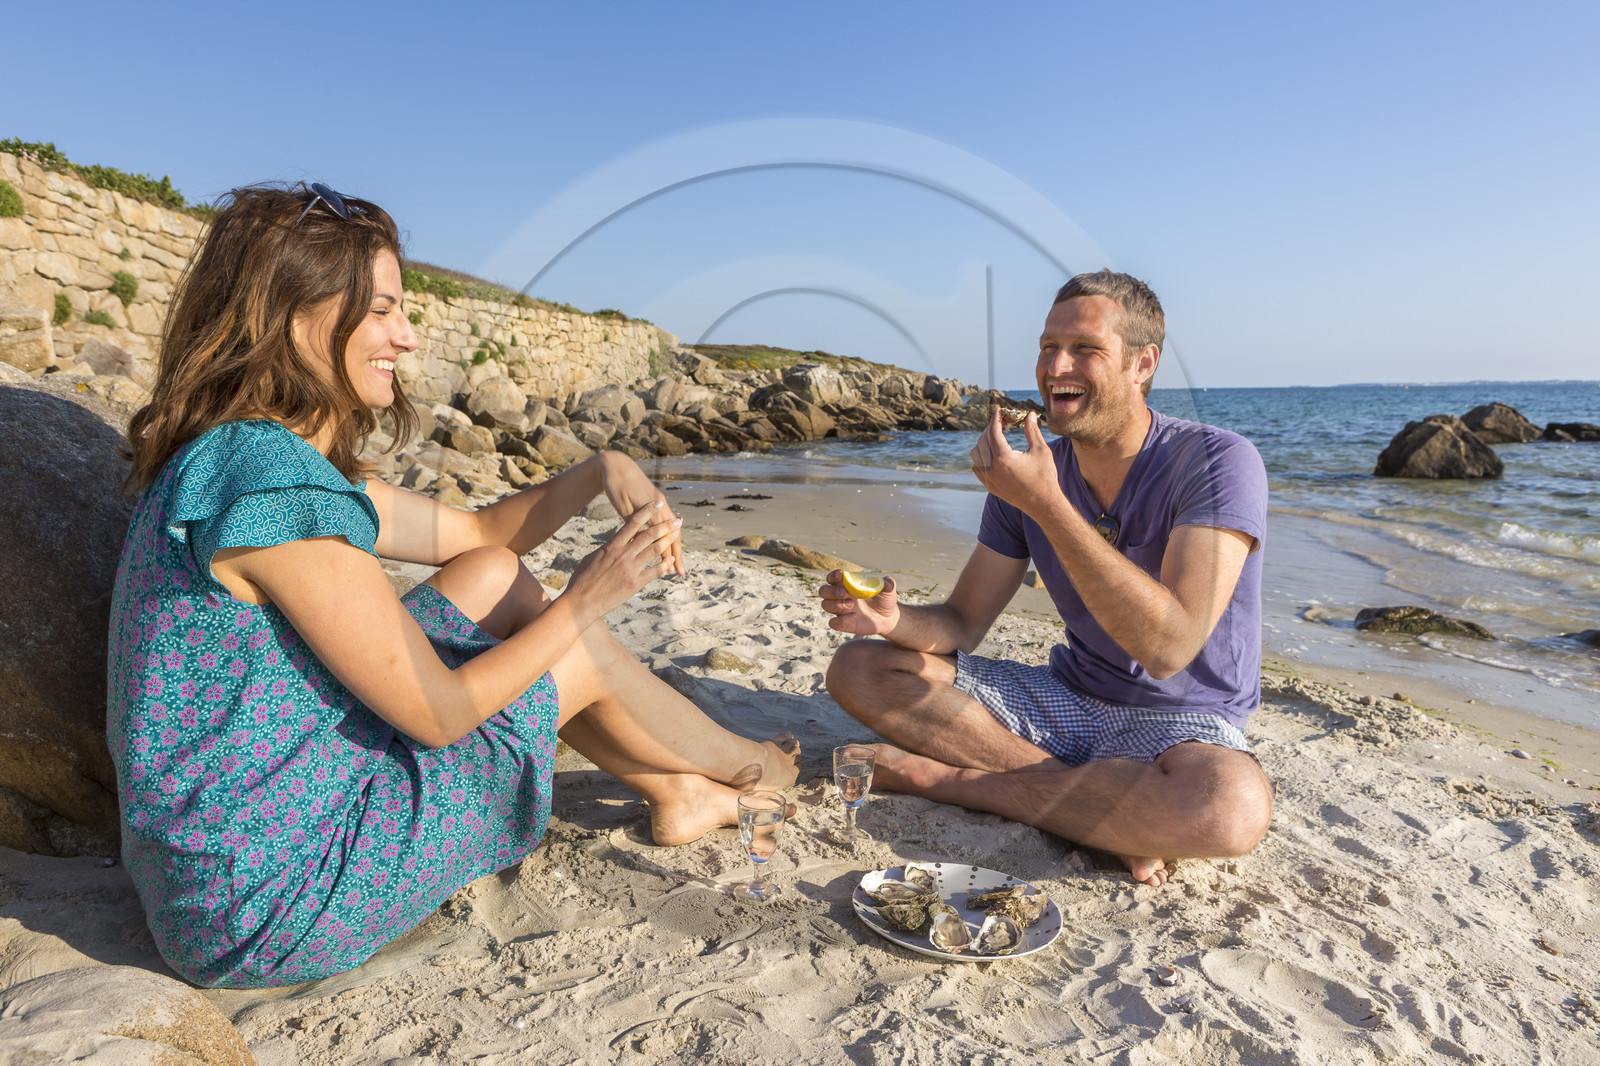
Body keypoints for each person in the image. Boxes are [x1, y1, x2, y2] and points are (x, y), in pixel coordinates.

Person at [107, 182, 799, 988]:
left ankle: (677, 791)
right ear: (298, 318)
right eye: (382, 313)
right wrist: (587, 596)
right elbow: (437, 716)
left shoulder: (247, 458)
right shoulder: (271, 492)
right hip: (268, 899)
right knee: (568, 649)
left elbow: (476, 535)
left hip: (239, 848)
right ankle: (754, 771)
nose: (405, 337)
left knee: (496, 576)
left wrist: (605, 470)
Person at [820, 270, 1271, 887]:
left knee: (1230, 809)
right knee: (861, 668)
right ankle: (1103, 814)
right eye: (1047, 345)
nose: (1056, 364)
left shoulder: (1218, 462)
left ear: (1143, 364)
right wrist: (894, 620)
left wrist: (1049, 505)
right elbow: (963, 622)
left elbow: (1170, 648)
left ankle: (951, 782)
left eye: (1085, 349)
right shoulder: (1031, 472)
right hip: (1069, 701)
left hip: (1185, 722)